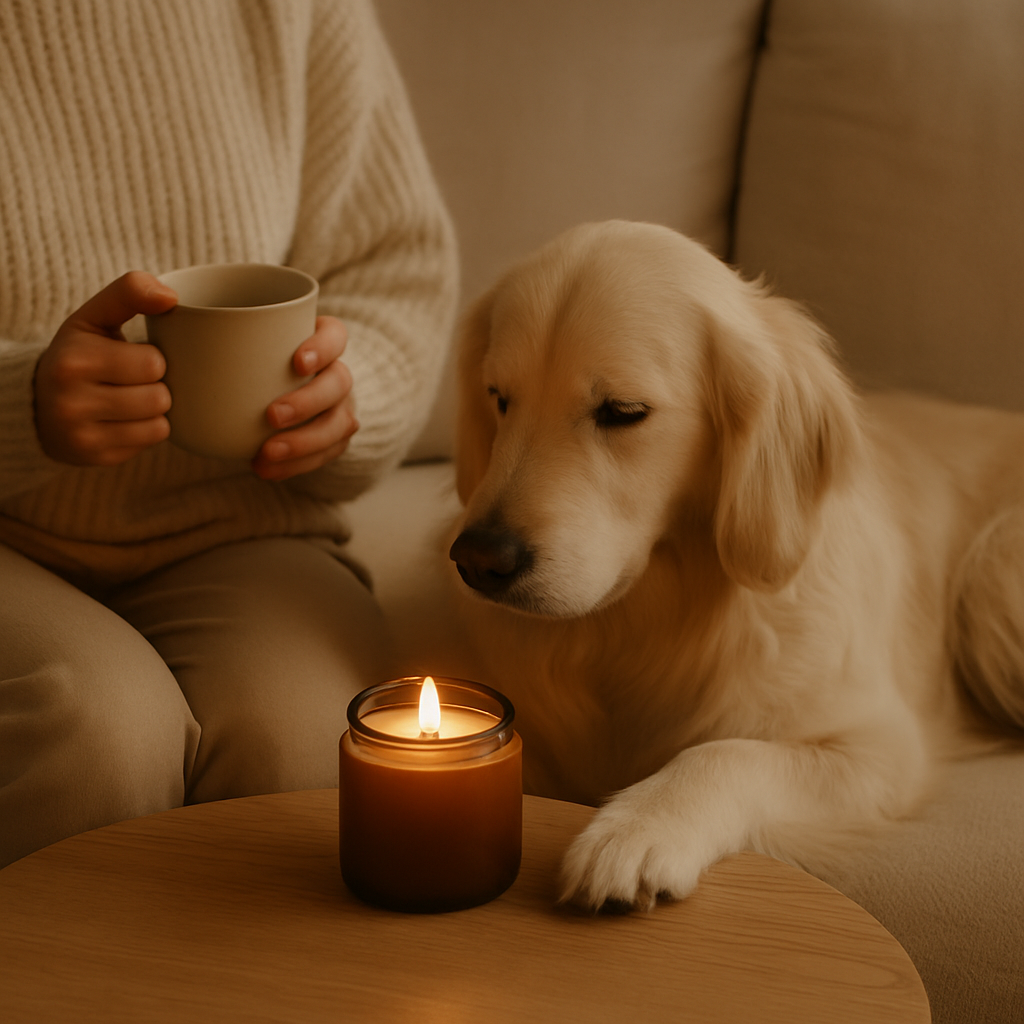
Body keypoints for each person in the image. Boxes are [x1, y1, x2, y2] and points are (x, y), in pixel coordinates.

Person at [0, 0, 458, 867]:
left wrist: (344, 399)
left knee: (311, 747)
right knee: (94, 733)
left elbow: (394, 268)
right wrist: (16, 406)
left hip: (233, 524)